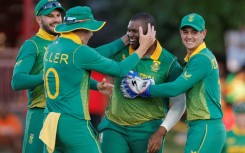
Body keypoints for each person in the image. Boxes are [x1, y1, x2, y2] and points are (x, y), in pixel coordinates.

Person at [40, 6, 155, 153]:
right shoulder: (79, 51)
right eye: (90, 29)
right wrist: (142, 48)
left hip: (51, 123)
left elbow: (91, 57)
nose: (92, 34)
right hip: (73, 123)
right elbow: (119, 70)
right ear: (82, 29)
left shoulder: (54, 46)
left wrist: (125, 39)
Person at [121, 13, 226, 153]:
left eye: (194, 32)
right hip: (203, 127)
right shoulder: (196, 57)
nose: (189, 36)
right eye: (185, 32)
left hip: (206, 126)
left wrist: (142, 87)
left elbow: (175, 88)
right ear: (180, 33)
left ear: (204, 33)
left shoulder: (201, 58)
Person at [98, 12, 186, 153]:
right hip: (114, 127)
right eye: (128, 30)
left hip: (148, 130)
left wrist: (162, 131)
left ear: (150, 33)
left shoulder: (169, 63)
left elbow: (179, 102)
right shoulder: (121, 50)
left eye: (135, 31)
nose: (130, 35)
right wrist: (124, 40)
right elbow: (91, 58)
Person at [11, 0, 65, 152]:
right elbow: (17, 81)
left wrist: (97, 86)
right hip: (40, 112)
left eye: (58, 15)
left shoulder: (65, 44)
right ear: (39, 19)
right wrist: (44, 77)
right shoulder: (32, 45)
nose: (56, 19)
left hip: (64, 114)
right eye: (50, 16)